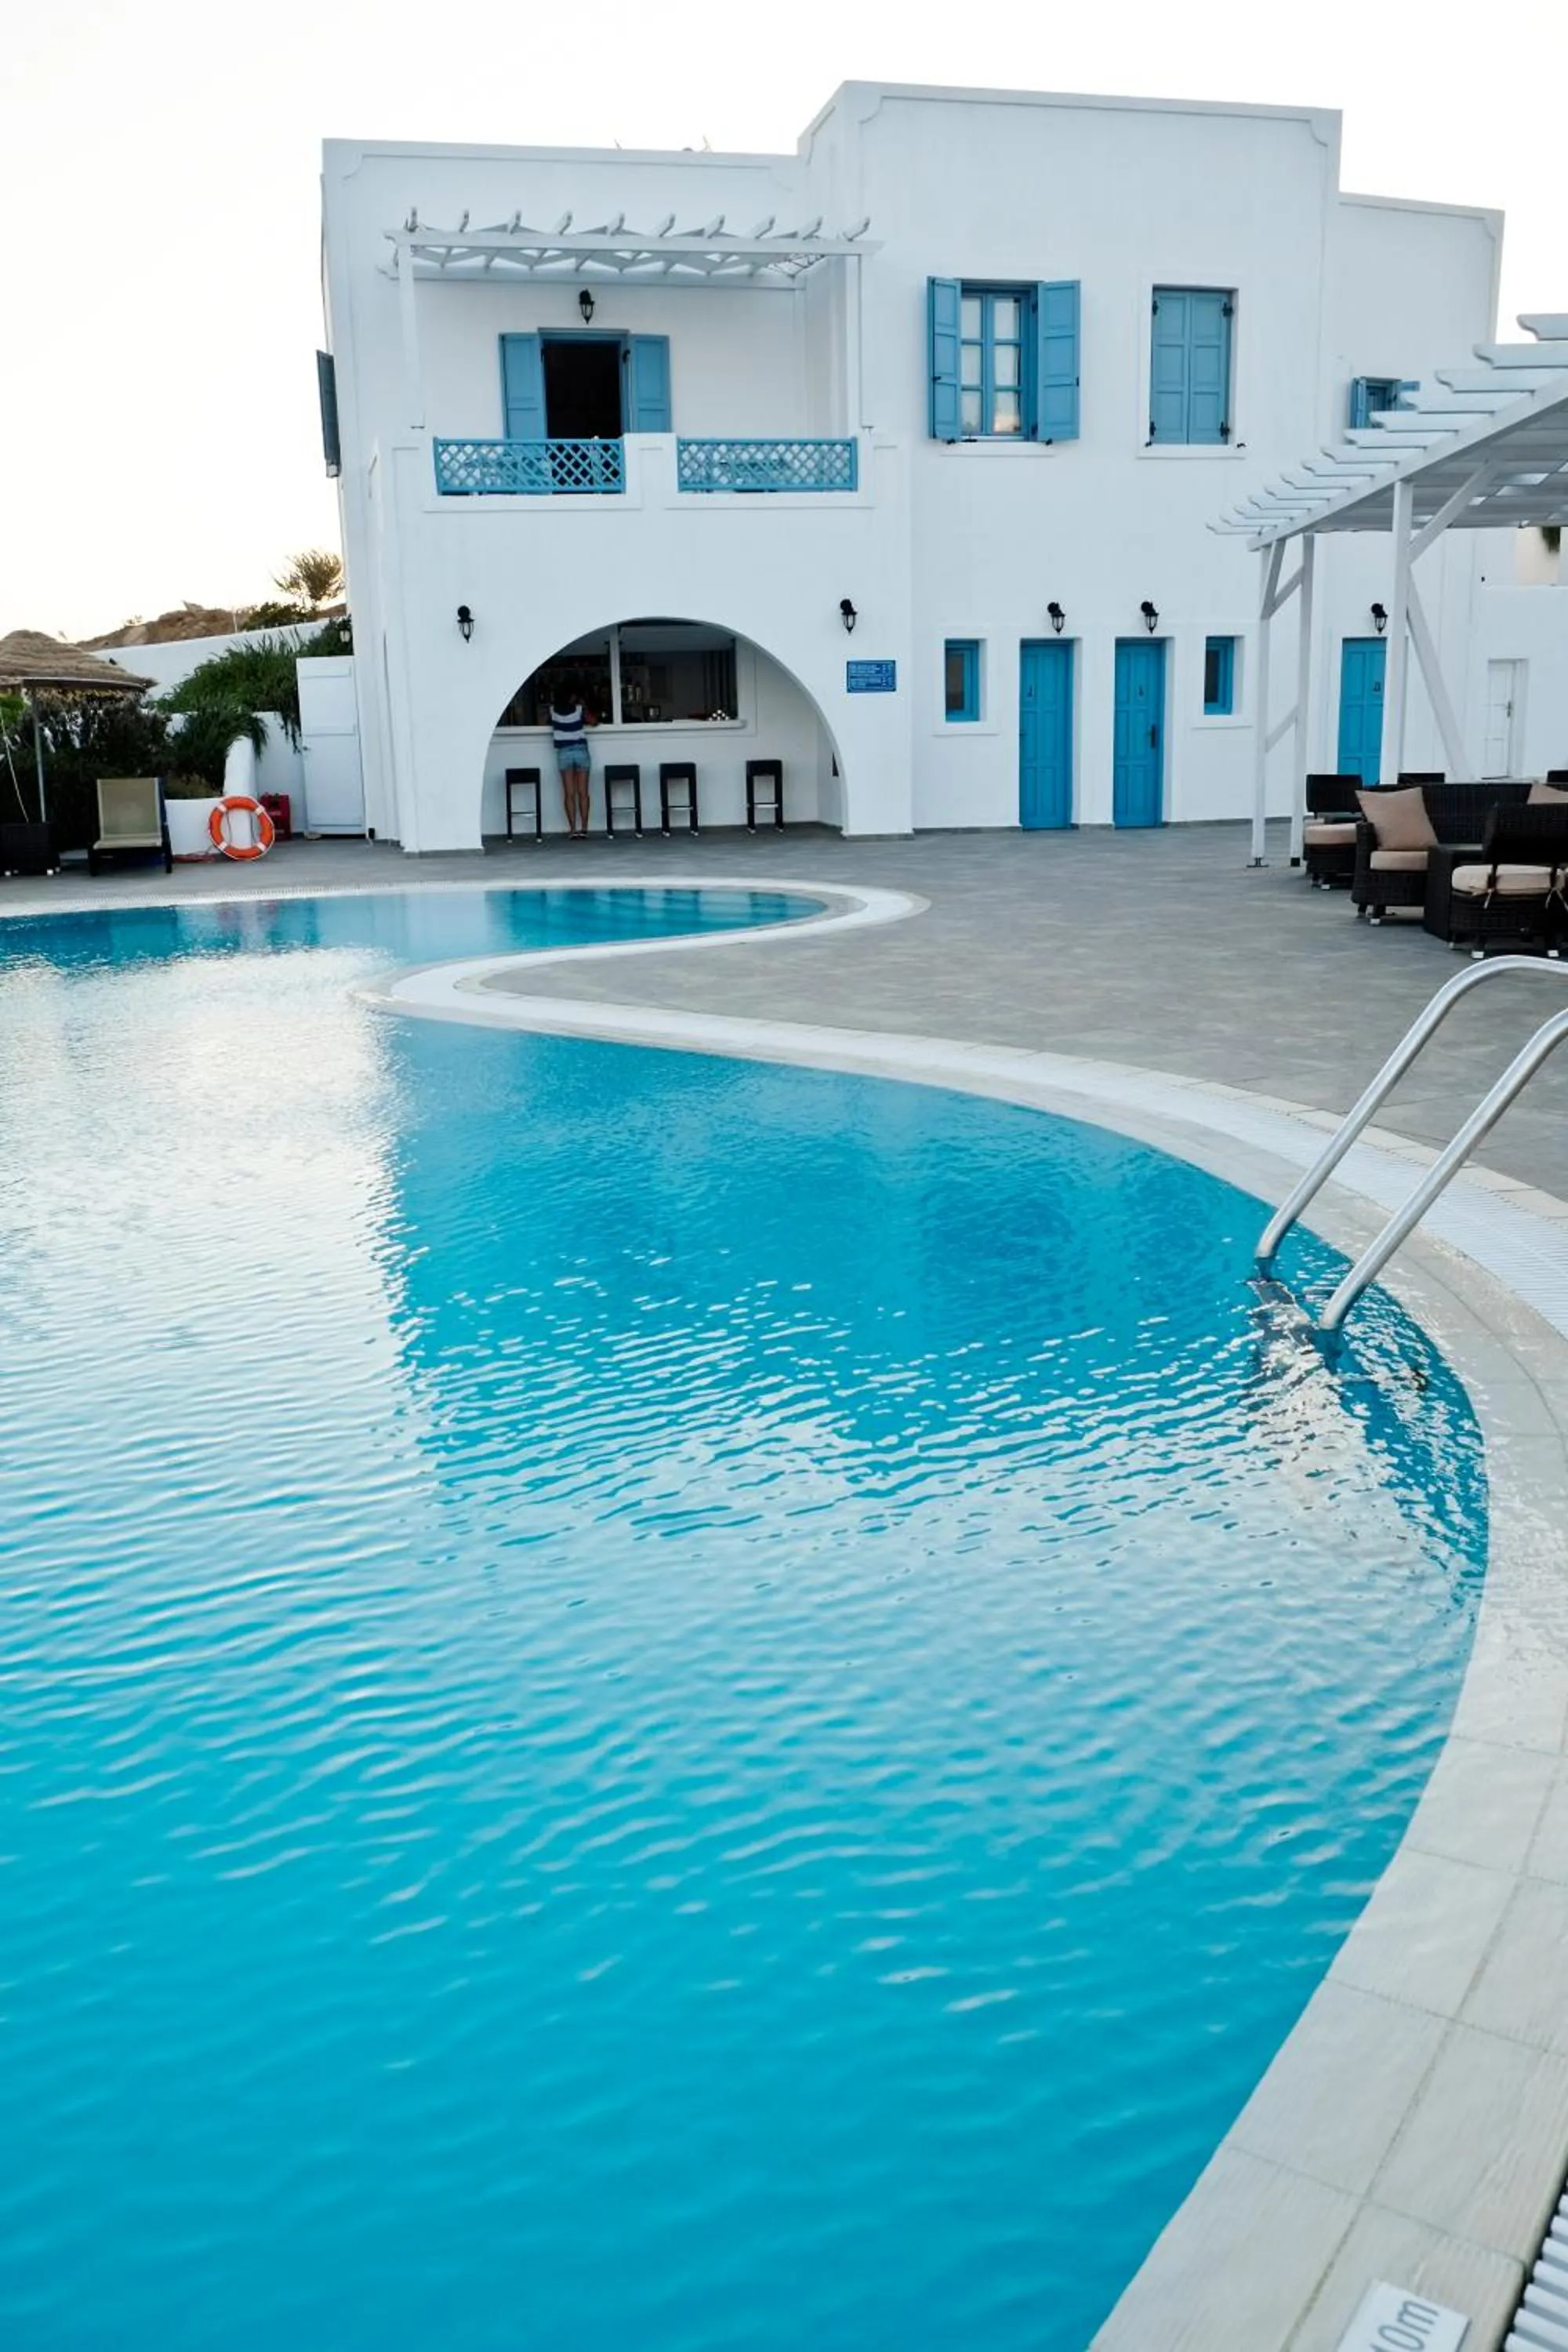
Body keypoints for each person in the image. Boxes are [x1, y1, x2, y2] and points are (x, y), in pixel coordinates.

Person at [549, 694, 593, 836]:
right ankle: (584, 829)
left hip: (564, 752)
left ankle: (573, 829)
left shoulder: (552, 711)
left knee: (569, 793)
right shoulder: (579, 709)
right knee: (583, 793)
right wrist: (584, 705)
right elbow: (594, 721)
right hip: (581, 751)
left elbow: (541, 721)